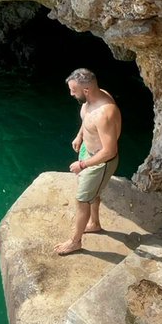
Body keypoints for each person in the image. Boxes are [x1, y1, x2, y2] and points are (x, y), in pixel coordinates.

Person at [54, 68, 121, 256]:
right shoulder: (91, 100)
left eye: (73, 90)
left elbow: (109, 151)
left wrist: (83, 165)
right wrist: (80, 136)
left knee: (82, 199)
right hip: (87, 151)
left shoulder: (104, 113)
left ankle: (75, 242)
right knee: (91, 192)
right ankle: (94, 223)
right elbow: (87, 121)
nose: (71, 94)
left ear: (86, 90)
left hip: (100, 161)